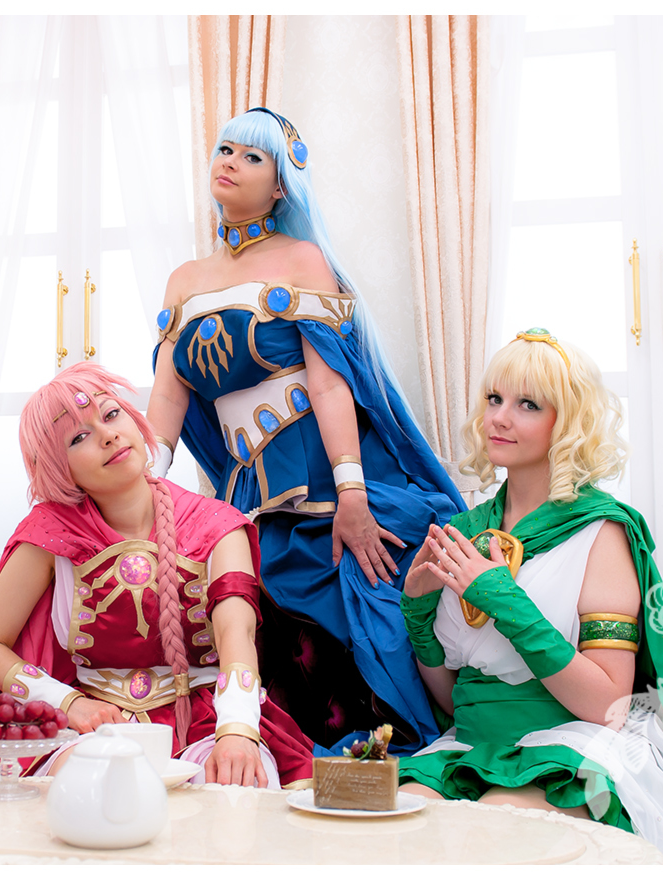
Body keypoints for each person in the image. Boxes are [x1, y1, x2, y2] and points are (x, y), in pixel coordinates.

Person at [145, 107, 464, 751]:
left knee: (356, 625)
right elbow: (168, 400)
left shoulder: (302, 258)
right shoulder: (184, 280)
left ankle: (380, 763)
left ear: (280, 187)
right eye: (225, 149)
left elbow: (328, 385)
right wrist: (143, 501)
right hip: (245, 501)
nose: (231, 162)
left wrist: (352, 497)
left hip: (328, 484)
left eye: (252, 156)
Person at [397, 329, 663, 865]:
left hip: (571, 745)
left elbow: (606, 704)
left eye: (527, 404)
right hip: (470, 747)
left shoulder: (602, 533)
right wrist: (418, 612)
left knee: (492, 832)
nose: (499, 418)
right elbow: (454, 699)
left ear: (567, 423)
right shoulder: (465, 532)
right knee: (395, 833)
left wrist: (504, 601)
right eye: (494, 398)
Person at [0, 362, 315, 788]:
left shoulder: (218, 524)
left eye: (111, 414)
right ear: (58, 467)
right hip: (91, 728)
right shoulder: (48, 533)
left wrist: (237, 730)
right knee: (90, 784)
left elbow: (236, 633)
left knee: (239, 787)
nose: (107, 435)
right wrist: (67, 703)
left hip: (208, 721)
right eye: (78, 437)